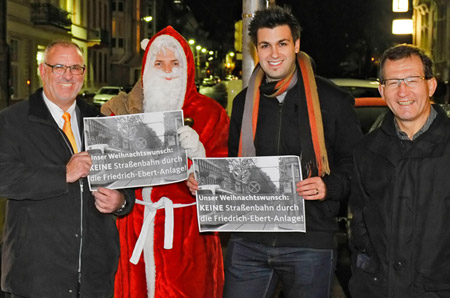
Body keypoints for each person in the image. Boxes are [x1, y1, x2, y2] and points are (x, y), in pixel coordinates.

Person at [186, 6, 362, 298]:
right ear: (257, 50)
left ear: (296, 45)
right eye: (265, 45)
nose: (274, 54)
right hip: (248, 240)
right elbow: (235, 165)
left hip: (310, 241)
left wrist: (328, 185)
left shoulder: (332, 100)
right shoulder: (244, 101)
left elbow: (355, 165)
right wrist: (208, 183)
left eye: (282, 43)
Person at [101, 26, 229, 298]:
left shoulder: (210, 114)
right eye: (159, 63)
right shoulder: (126, 111)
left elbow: (227, 183)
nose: (168, 71)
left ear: (187, 68)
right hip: (135, 226)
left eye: (175, 64)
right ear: (148, 68)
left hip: (188, 235)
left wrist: (200, 155)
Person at [0, 40, 134, 298]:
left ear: (84, 73)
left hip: (95, 276)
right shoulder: (11, 121)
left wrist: (121, 201)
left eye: (76, 68)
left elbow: (125, 184)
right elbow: (4, 178)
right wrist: (63, 174)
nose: (68, 75)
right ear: (43, 70)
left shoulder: (101, 123)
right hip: (36, 276)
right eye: (59, 66)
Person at [349, 44, 450, 298]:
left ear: (431, 85)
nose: (402, 91)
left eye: (411, 80)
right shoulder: (366, 151)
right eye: (393, 82)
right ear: (382, 90)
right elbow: (360, 227)